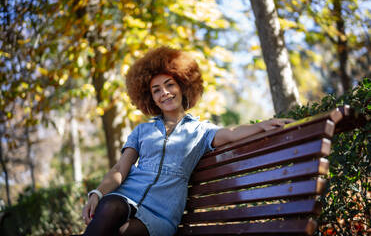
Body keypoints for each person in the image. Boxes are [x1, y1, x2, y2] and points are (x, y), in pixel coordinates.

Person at [81, 46, 294, 236]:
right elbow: (120, 168)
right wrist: (98, 193)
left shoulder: (201, 131)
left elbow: (232, 132)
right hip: (126, 197)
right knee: (110, 205)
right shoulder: (142, 130)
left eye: (169, 85)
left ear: (182, 86)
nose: (164, 93)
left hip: (161, 213)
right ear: (150, 98)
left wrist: (263, 125)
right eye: (156, 90)